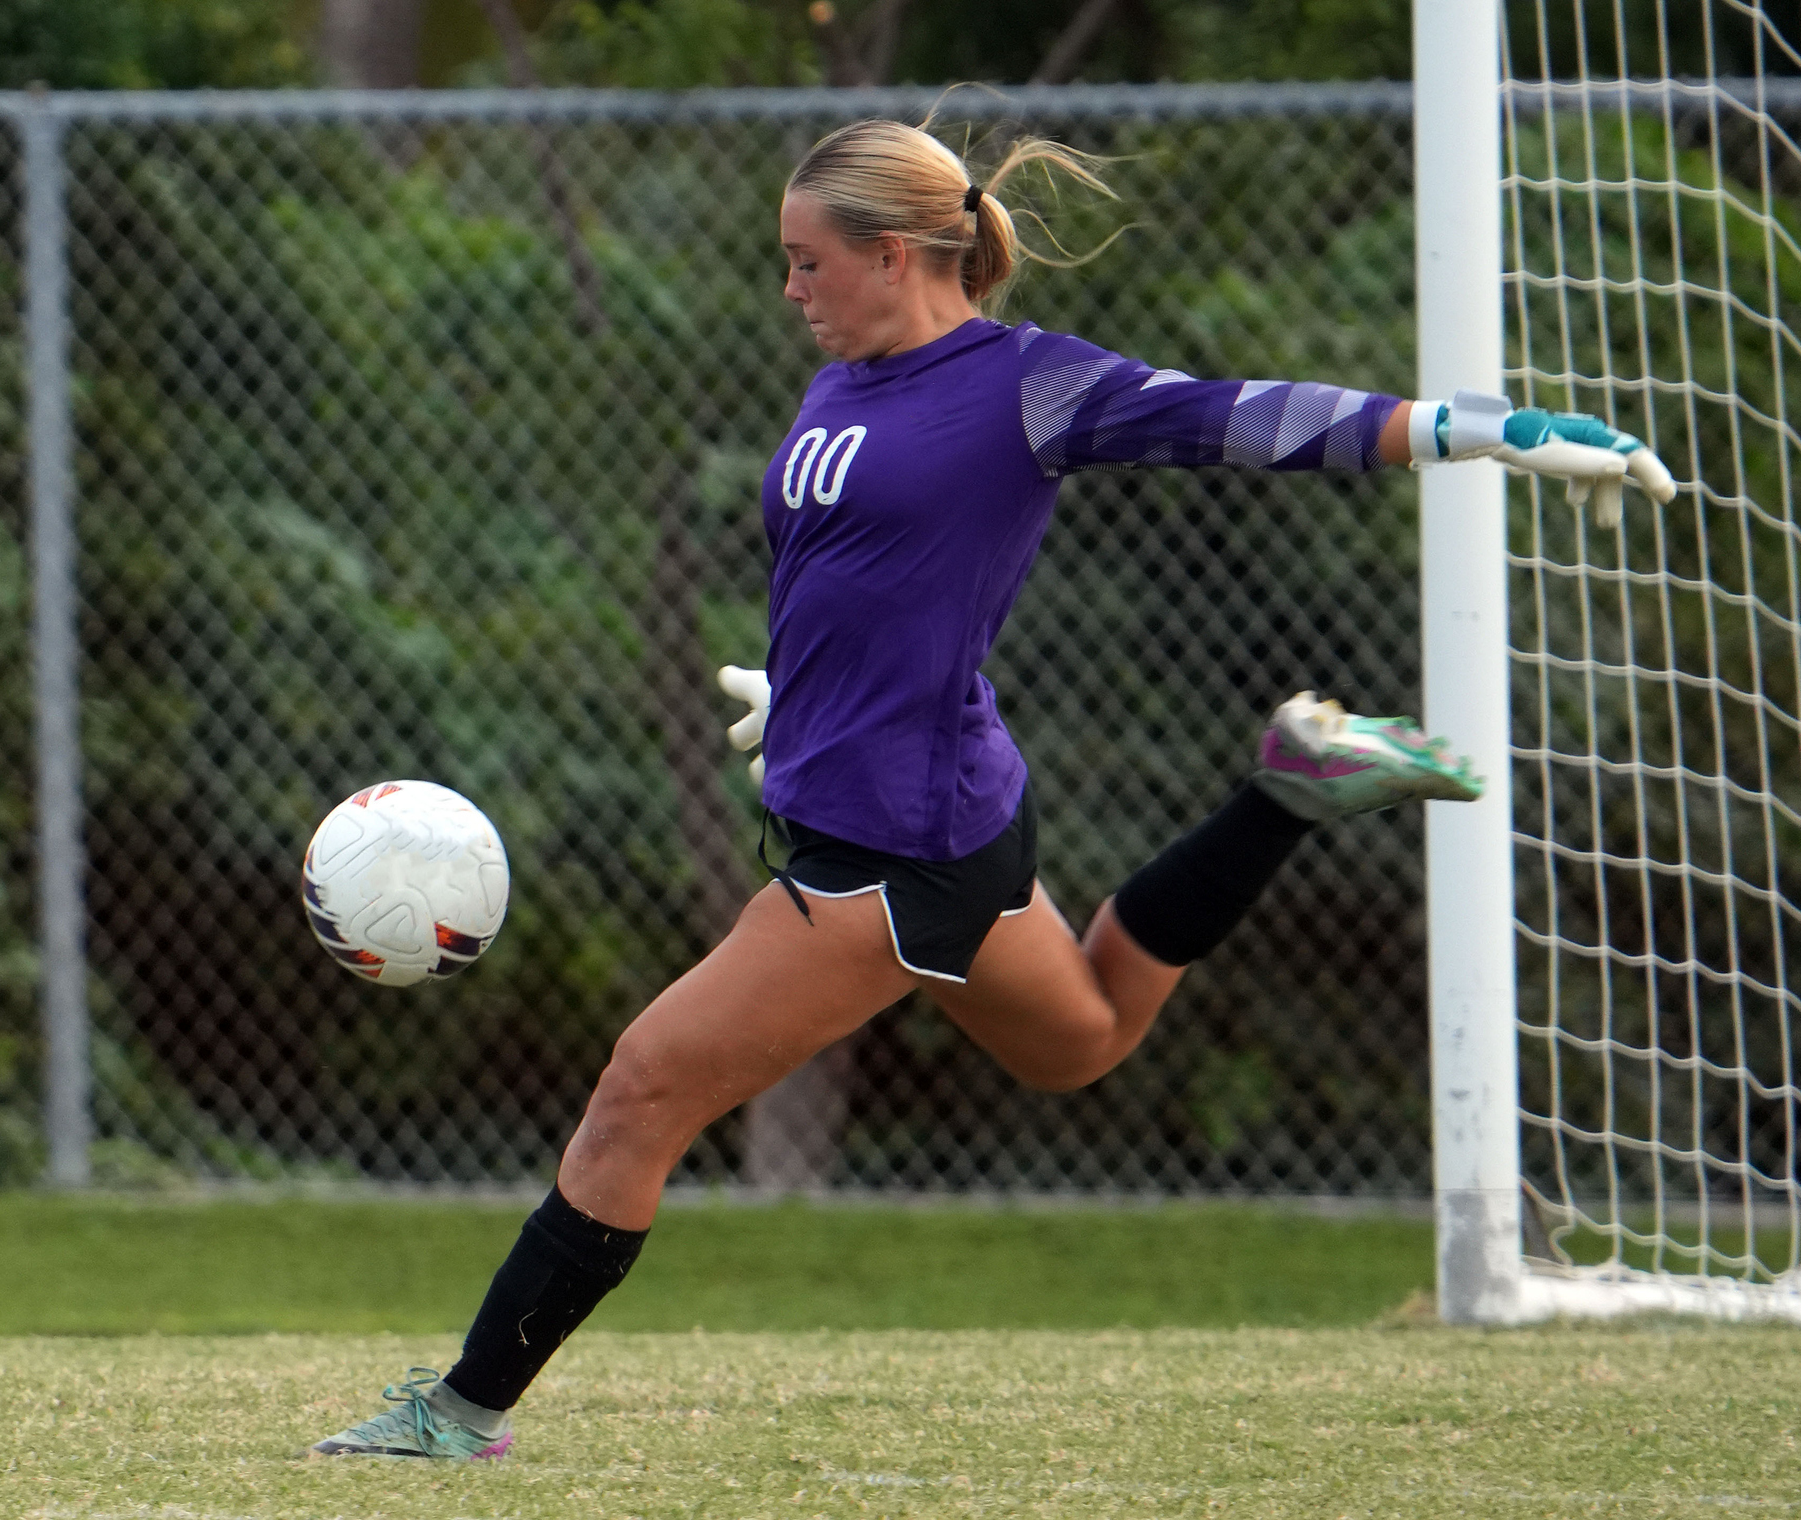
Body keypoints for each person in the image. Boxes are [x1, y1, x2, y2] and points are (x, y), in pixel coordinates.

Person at [309, 119, 1674, 1460]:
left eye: (806, 263)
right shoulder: (845, 371)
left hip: (893, 853)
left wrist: (1464, 427)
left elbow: (1242, 421)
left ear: (897, 253)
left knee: (639, 1094)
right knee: (1079, 1038)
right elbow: (862, 570)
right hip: (928, 799)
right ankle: (1290, 790)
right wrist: (804, 705)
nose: (788, 291)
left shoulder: (1027, 386)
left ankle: (461, 1415)